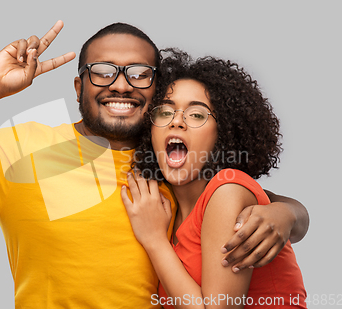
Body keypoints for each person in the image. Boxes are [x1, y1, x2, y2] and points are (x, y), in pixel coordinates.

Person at [0, 21, 309, 308]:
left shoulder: (172, 161)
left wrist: (285, 214)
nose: (120, 84)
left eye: (139, 73)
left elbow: (244, 201)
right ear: (79, 84)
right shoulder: (25, 149)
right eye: (103, 71)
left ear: (157, 90)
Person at [122, 49, 307, 308]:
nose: (177, 121)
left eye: (196, 114)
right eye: (165, 112)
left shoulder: (227, 190)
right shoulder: (163, 208)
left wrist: (154, 241)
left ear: (223, 133)